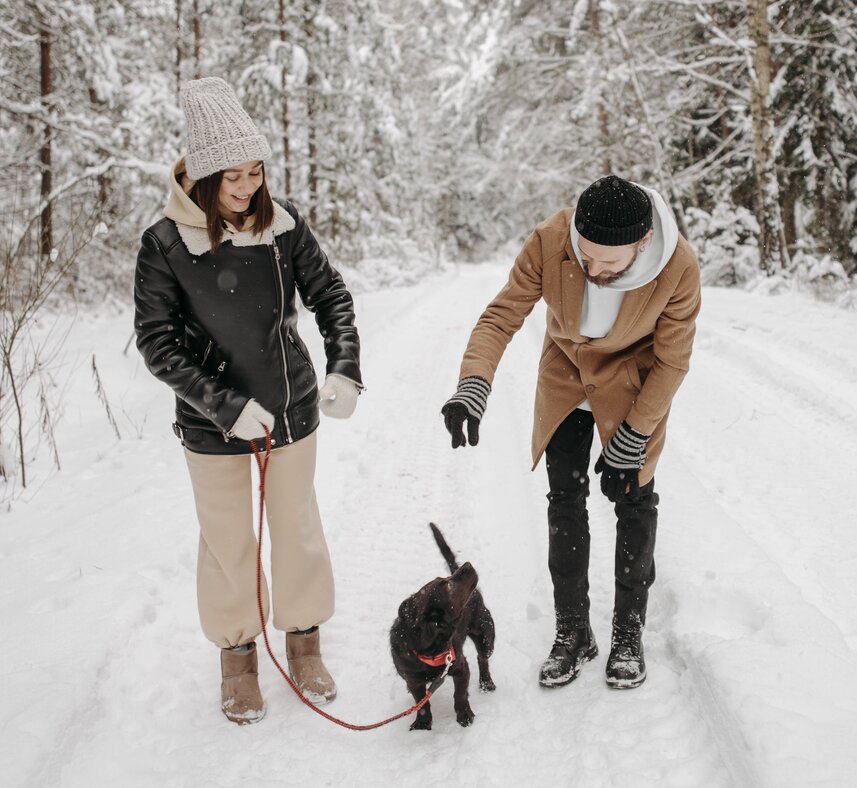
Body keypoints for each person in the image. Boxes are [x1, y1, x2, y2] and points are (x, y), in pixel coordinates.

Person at [134, 77, 363, 724]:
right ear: (203, 179)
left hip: (291, 409)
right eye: (233, 176)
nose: (248, 187)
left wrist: (344, 366)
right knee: (228, 540)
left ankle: (305, 640)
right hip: (212, 425)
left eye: (256, 172)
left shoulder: (283, 225)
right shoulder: (164, 245)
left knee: (296, 529)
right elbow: (156, 342)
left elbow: (331, 297)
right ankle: (237, 657)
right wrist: (223, 405)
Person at [441, 175, 701, 690]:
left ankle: (628, 634)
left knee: (633, 501)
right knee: (564, 500)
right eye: (586, 257)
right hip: (565, 376)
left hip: (632, 386)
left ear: (643, 242)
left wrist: (634, 434)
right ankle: (573, 633)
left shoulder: (678, 268)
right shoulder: (550, 240)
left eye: (609, 262)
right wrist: (473, 384)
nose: (593, 270)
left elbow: (673, 361)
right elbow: (502, 316)